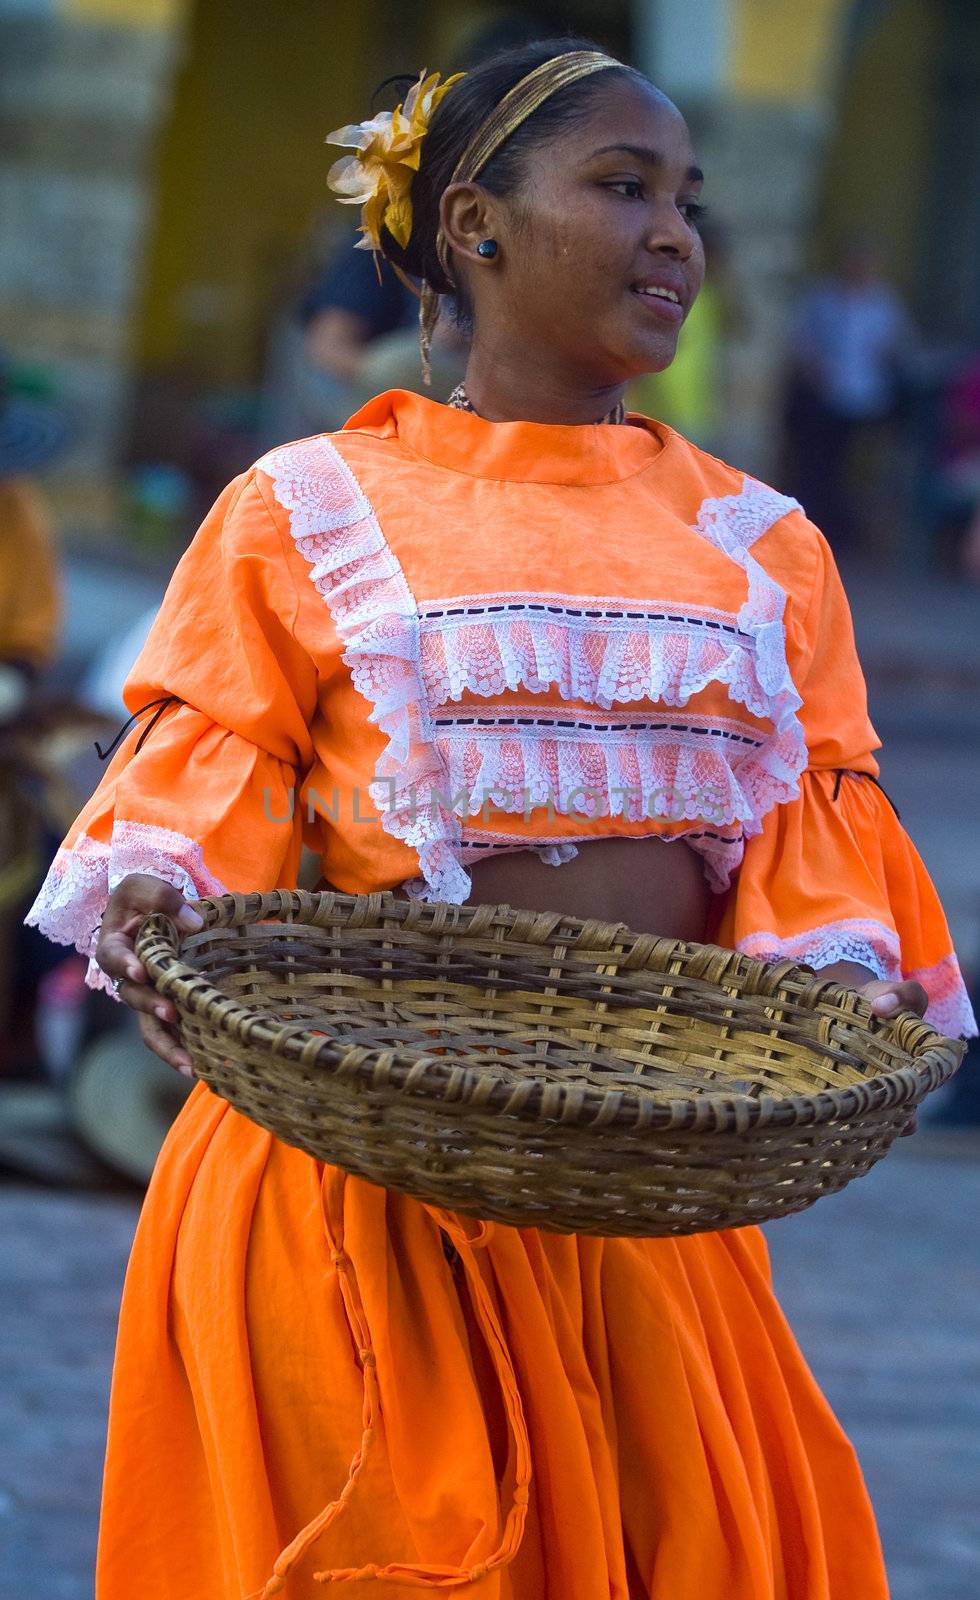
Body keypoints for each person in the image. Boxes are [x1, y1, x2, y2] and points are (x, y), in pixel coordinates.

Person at [26, 41, 976, 1600]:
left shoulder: (764, 549)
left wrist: (830, 990)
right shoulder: (305, 510)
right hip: (352, 1197)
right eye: (621, 187)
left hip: (639, 1211)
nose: (677, 234)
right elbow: (204, 803)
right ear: (472, 224)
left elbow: (815, 847)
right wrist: (153, 910)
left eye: (687, 198)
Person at [780, 235, 916, 548]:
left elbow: (898, 348)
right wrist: (814, 371)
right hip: (826, 398)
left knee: (855, 470)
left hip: (867, 400)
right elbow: (800, 343)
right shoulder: (822, 298)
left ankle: (848, 533)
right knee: (819, 466)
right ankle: (816, 528)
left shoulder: (884, 304)